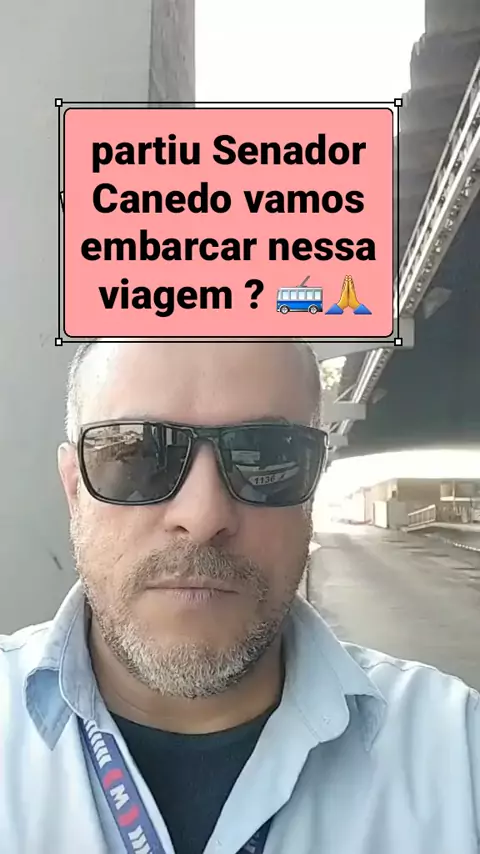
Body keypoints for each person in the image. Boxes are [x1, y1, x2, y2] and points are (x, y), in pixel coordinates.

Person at [0, 340, 479, 854]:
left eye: (268, 457)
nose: (204, 517)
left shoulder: (458, 755)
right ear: (74, 489)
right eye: (137, 455)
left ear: (312, 487)